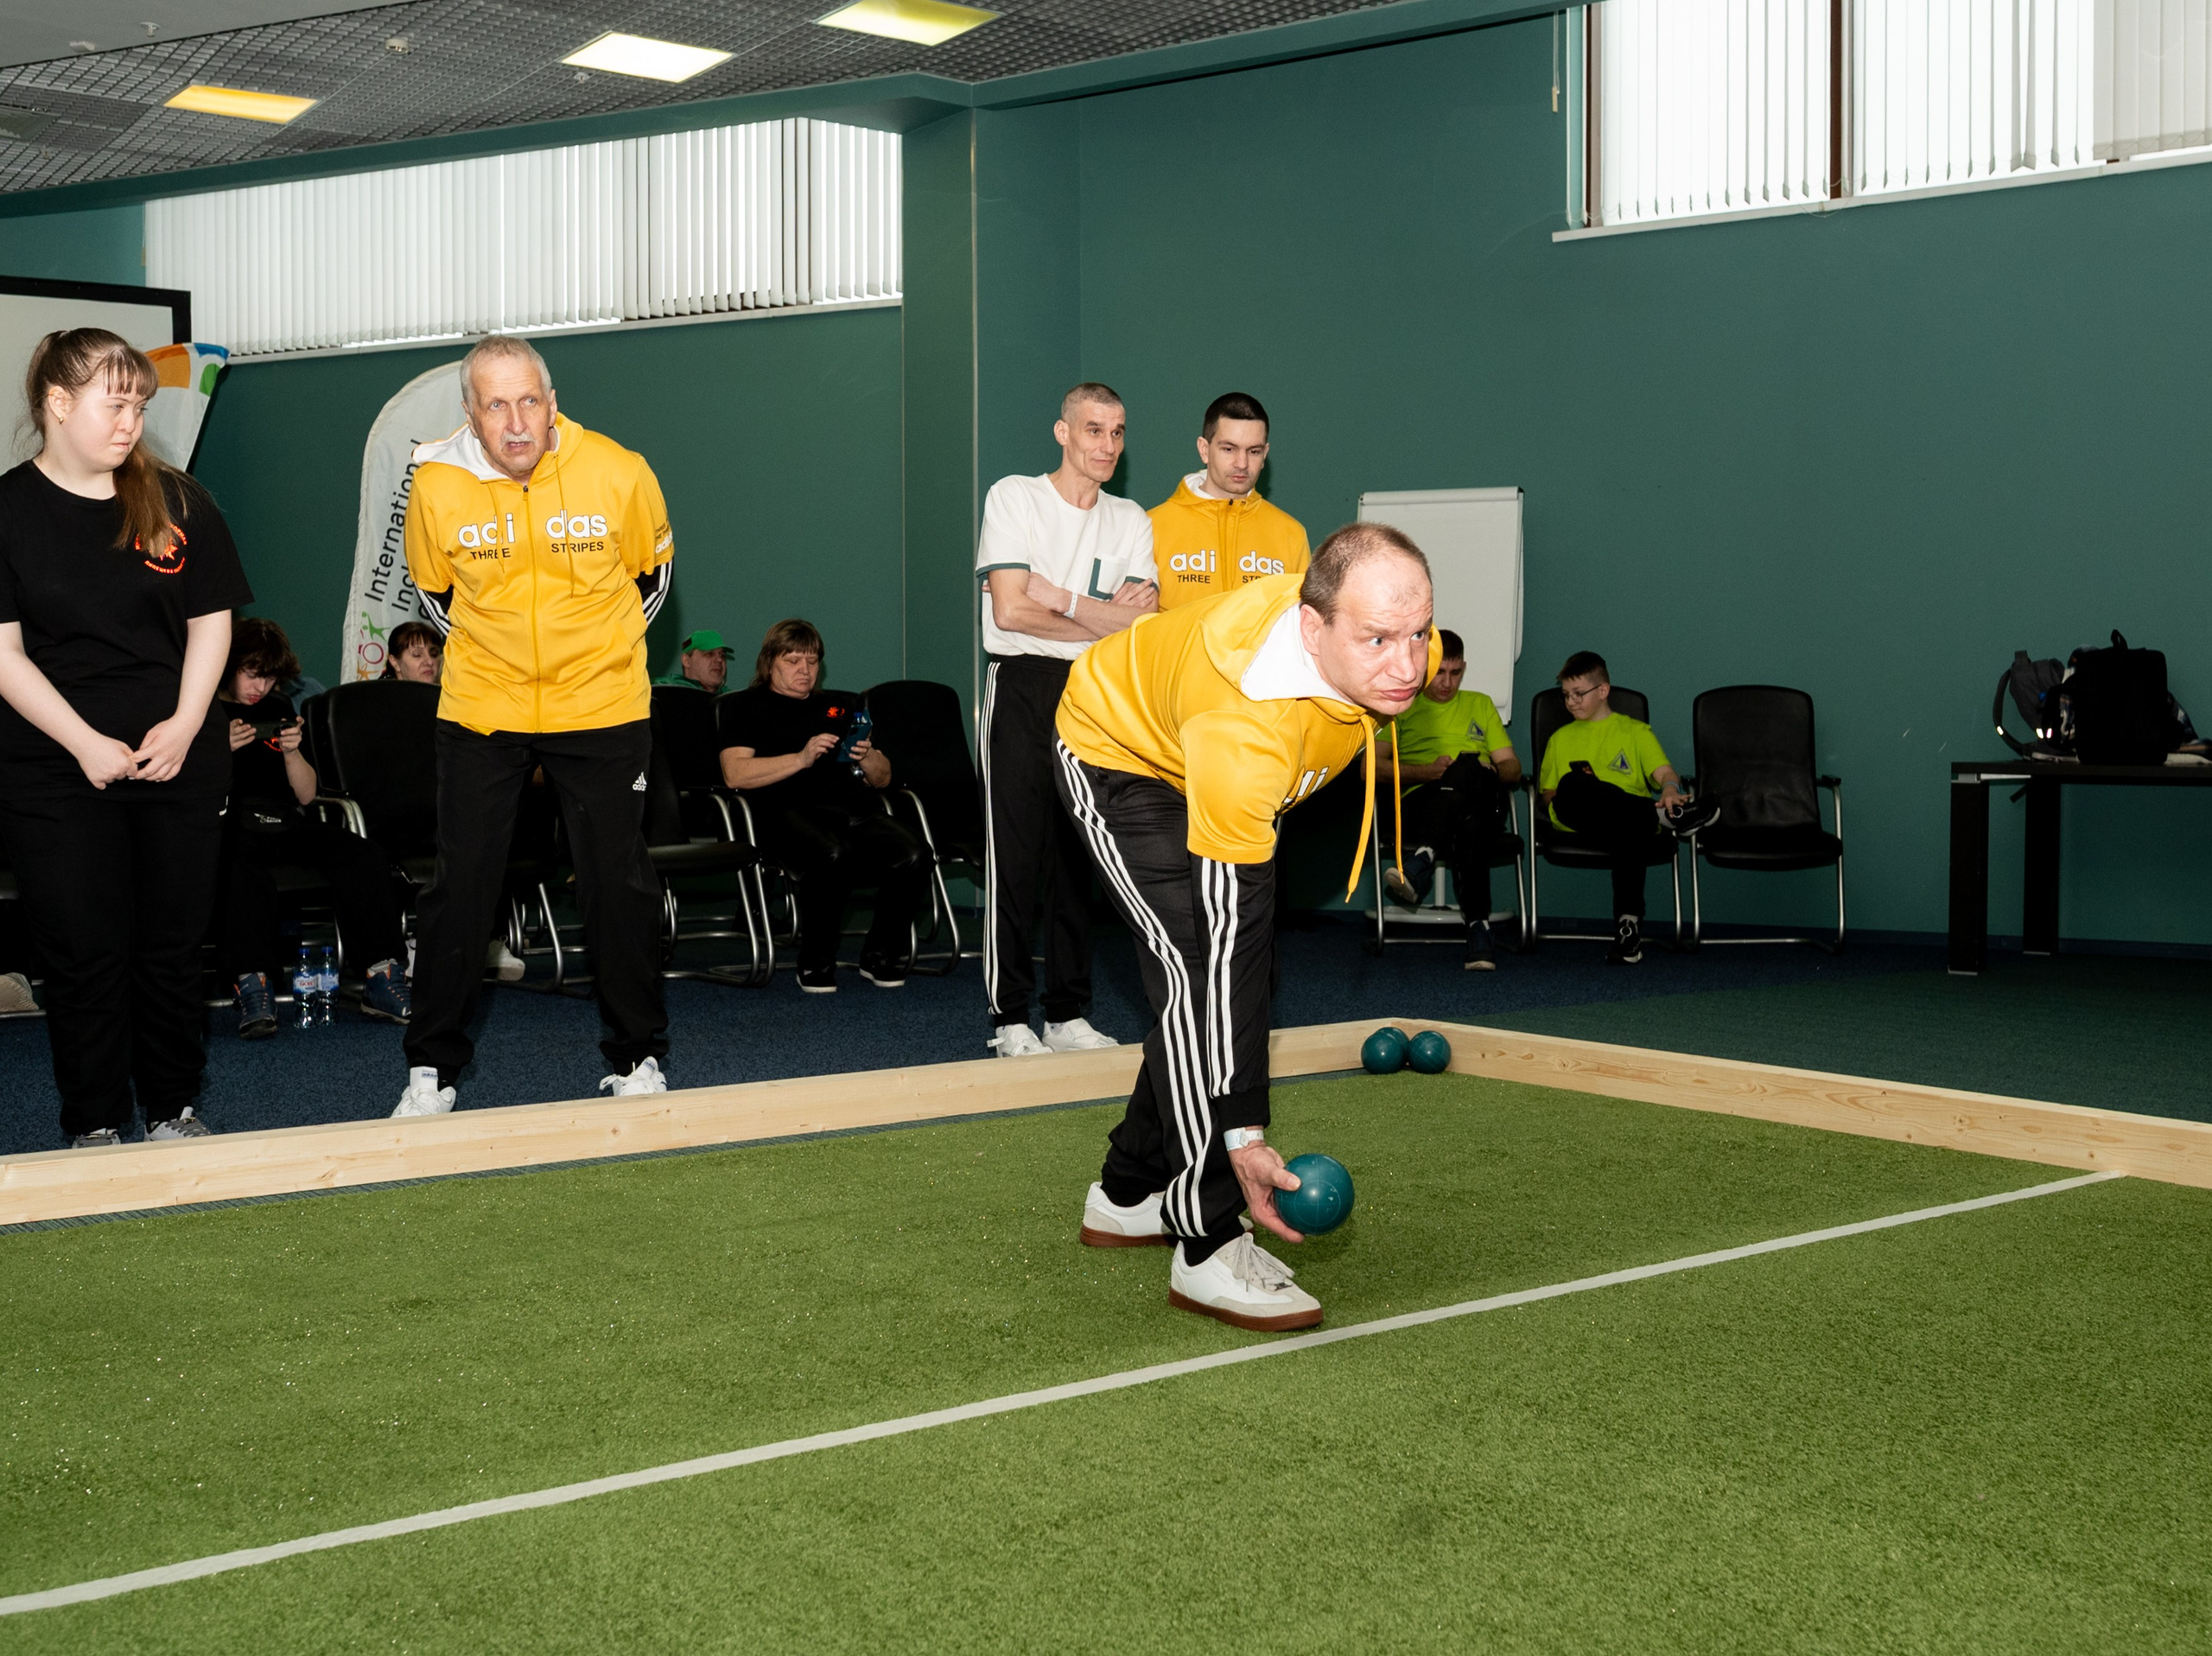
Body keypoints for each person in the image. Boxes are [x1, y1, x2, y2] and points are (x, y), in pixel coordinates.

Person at [1055, 523, 1440, 1330]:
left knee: (1236, 982)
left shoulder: (1395, 642)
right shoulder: (1244, 730)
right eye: (1378, 640)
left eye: (1419, 634)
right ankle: (1206, 1241)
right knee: (1196, 967)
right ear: (1314, 627)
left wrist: (1392, 643)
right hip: (1119, 749)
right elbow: (1235, 938)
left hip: (1216, 750)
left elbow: (1253, 956)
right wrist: (1246, 1131)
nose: (1406, 665)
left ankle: (1128, 1193)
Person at [393, 334, 675, 1116]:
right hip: (485, 707)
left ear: (551, 404)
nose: (515, 421)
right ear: (471, 414)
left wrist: (595, 661)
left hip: (603, 706)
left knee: (617, 883)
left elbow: (651, 581)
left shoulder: (621, 471)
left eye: (528, 401)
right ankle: (431, 1073)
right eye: (495, 405)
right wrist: (503, 663)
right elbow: (434, 593)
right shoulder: (436, 481)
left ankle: (638, 1057)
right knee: (463, 886)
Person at [0, 328, 252, 1147]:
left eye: (141, 405)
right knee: (83, 952)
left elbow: (213, 627)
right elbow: (4, 656)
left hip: (177, 753)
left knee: (172, 947)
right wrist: (82, 742)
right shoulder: (7, 511)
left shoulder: (180, 501)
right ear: (57, 404)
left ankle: (174, 1107)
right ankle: (95, 1122)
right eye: (117, 404)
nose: (132, 422)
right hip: (54, 760)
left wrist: (184, 724)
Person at [976, 382, 1157, 1058]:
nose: (1107, 445)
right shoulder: (1014, 497)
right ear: (1063, 432)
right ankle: (1010, 1018)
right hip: (1021, 682)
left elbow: (1143, 626)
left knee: (1083, 853)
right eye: (1093, 430)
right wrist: (1097, 615)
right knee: (1017, 851)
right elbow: (1011, 612)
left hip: (1095, 689)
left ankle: (1068, 1013)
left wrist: (1061, 596)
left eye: (1117, 431)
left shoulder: (1132, 519)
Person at [216, 617, 410, 1035]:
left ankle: (382, 975)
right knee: (238, 869)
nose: (260, 688)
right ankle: (255, 984)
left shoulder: (280, 708)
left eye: (269, 678)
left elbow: (305, 796)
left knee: (362, 855)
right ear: (228, 666)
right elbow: (188, 787)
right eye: (252, 674)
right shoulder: (204, 709)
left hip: (285, 821)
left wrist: (291, 754)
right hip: (231, 822)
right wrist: (218, 750)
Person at [719, 619, 927, 992]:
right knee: (833, 852)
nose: (805, 670)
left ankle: (879, 955)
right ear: (770, 663)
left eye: (812, 662)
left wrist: (867, 757)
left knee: (915, 853)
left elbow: (883, 779)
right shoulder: (744, 706)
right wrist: (800, 758)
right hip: (784, 812)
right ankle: (816, 961)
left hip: (852, 809)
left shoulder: (838, 706)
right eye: (794, 660)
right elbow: (734, 774)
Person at [1538, 651, 1717, 965]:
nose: (1571, 702)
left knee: (1627, 825)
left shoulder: (1635, 731)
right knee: (1573, 783)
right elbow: (1550, 795)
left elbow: (1665, 774)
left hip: (1627, 824)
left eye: (1578, 694)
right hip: (1575, 818)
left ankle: (1627, 931)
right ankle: (1667, 816)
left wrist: (1672, 791)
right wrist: (1590, 793)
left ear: (1603, 691)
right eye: (1566, 695)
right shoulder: (1559, 738)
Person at [1377, 627, 1522, 969]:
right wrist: (1427, 772)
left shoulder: (1480, 704)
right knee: (1468, 822)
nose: (1447, 682)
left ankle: (1422, 858)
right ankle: (1478, 927)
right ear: (1424, 665)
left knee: (1469, 766)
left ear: (1464, 669)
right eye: (1440, 672)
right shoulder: (1399, 707)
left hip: (1485, 795)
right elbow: (1371, 769)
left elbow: (1512, 769)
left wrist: (1485, 769)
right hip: (1422, 800)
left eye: (1455, 673)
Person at [1148, 392, 1310, 610]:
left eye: (1254, 451)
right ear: (1204, 450)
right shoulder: (1152, 527)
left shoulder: (1291, 535)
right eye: (1229, 449)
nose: (1242, 463)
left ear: (1265, 454)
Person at [655, 628, 730, 692]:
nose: (720, 660)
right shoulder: (665, 691)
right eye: (709, 654)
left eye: (722, 655)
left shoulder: (734, 700)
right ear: (686, 660)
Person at [379, 619, 442, 684]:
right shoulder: (377, 693)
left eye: (434, 654)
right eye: (417, 654)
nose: (430, 662)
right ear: (394, 662)